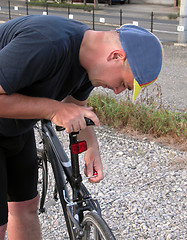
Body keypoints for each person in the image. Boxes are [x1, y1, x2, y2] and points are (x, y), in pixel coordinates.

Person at [0, 15, 163, 239]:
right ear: (116, 56)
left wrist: (92, 147)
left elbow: (75, 104)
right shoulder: (47, 43)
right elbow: (58, 108)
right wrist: (53, 110)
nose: (116, 91)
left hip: (14, 124)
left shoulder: (88, 64)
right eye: (123, 84)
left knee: (24, 206)